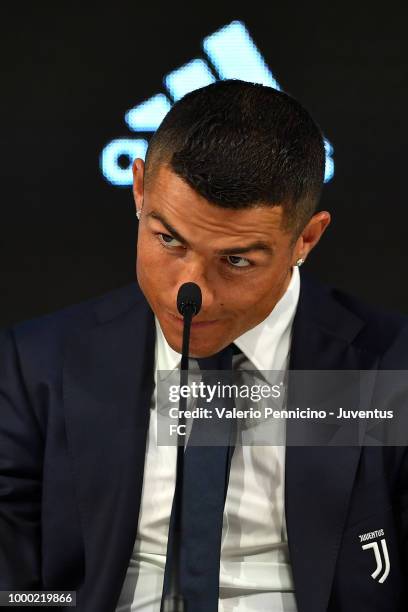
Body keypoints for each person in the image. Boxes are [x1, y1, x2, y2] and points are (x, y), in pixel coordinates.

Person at [1, 79, 407, 612]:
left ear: (305, 239)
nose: (190, 292)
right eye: (168, 239)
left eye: (236, 260)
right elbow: (15, 584)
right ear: (139, 190)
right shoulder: (37, 362)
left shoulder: (389, 368)